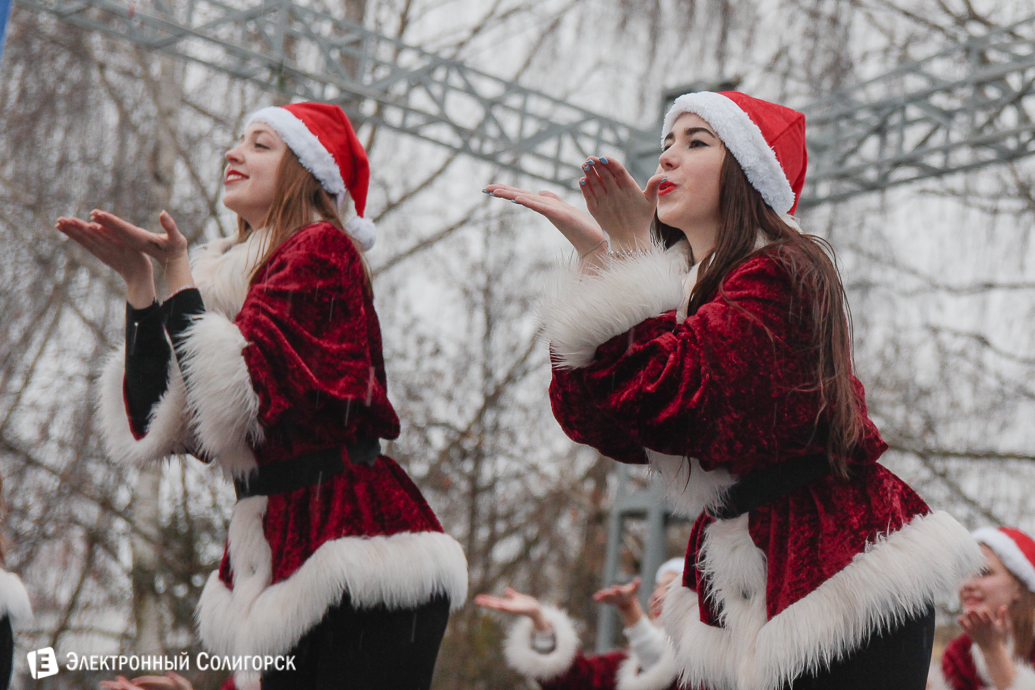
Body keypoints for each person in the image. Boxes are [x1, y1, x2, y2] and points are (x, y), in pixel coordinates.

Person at [485, 90, 982, 690]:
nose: (666, 157)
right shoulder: (692, 292)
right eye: (667, 142)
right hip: (743, 564)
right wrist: (602, 260)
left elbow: (674, 402)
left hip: (840, 572)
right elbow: (598, 420)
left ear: (749, 176)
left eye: (697, 142)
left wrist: (633, 255)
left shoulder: (783, 270)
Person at [58, 102, 468, 690]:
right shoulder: (230, 277)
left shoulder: (320, 250)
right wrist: (142, 287)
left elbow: (236, 398)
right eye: (237, 140)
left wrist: (177, 270)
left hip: (357, 547)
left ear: (305, 171)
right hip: (276, 536)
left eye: (259, 144)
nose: (233, 153)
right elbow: (159, 420)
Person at [476, 558, 683, 690]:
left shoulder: (708, 673)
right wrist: (539, 621)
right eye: (657, 587)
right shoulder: (623, 666)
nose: (657, 594)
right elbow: (570, 679)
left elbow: (663, 668)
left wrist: (630, 611)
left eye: (670, 588)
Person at [931, 527, 1035, 690]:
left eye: (984, 572)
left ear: (1019, 587)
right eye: (964, 574)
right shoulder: (959, 653)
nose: (967, 585)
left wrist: (992, 650)